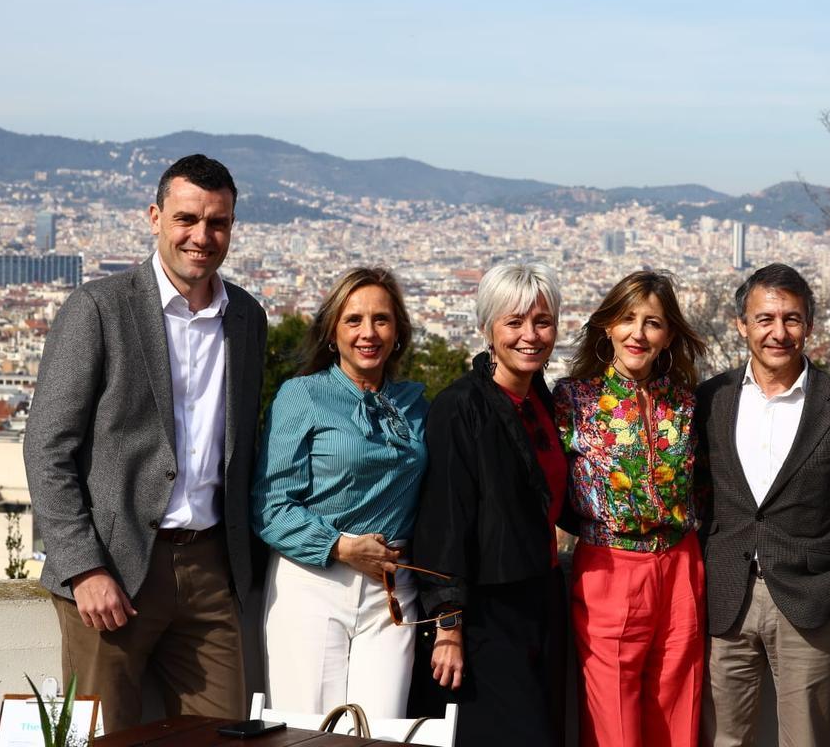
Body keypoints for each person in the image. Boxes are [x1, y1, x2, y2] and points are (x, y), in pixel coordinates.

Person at [24, 154, 266, 733]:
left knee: (223, 736)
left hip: (210, 567)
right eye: (186, 219)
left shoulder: (247, 319)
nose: (201, 237)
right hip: (113, 566)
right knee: (106, 737)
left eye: (217, 223)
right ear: (154, 217)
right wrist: (84, 567)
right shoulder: (100, 309)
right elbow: (46, 447)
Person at [695, 264, 830, 747]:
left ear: (809, 325)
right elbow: (695, 494)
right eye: (764, 319)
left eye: (792, 319)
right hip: (726, 601)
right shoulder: (711, 400)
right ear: (741, 325)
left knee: (805, 740)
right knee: (724, 740)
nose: (778, 333)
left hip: (814, 601)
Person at [252, 267, 427, 717]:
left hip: (392, 588)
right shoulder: (302, 395)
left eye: (381, 320)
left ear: (398, 333)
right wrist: (342, 546)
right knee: (307, 731)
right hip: (313, 582)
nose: (368, 333)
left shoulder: (415, 404)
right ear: (333, 332)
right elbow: (270, 506)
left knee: (380, 731)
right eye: (353, 320)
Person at [411, 262, 570, 747]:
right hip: (485, 610)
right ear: (486, 329)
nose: (530, 336)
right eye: (514, 322)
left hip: (541, 598)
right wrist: (449, 626)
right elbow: (444, 519)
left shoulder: (541, 399)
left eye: (542, 322)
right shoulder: (460, 407)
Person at [554, 270, 708, 747]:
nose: (638, 333)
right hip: (608, 565)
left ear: (668, 335)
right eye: (627, 319)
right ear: (606, 326)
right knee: (612, 717)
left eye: (653, 323)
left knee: (678, 706)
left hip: (681, 562)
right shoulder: (574, 400)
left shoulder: (684, 402)